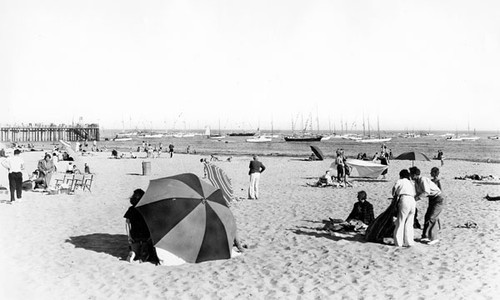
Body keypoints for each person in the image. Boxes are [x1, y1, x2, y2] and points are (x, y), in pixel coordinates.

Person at [410, 166, 444, 245]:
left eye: (411, 174)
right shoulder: (416, 182)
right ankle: (425, 236)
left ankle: (434, 238)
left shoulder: (423, 179)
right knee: (427, 216)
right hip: (432, 199)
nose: (410, 176)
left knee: (432, 217)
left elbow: (426, 192)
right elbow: (417, 193)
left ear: (415, 175)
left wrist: (417, 198)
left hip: (439, 198)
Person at [124, 189, 158, 263]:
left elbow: (127, 223)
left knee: (135, 249)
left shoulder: (131, 209)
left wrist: (129, 237)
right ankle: (143, 255)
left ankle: (134, 253)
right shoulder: (147, 209)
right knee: (148, 249)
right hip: (146, 236)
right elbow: (151, 224)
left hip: (135, 236)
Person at [392, 169, 416, 247]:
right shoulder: (411, 182)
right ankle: (409, 241)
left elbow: (394, 189)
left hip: (404, 199)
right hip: (412, 200)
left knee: (400, 221)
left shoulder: (400, 181)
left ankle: (398, 242)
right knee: (409, 222)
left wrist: (394, 195)